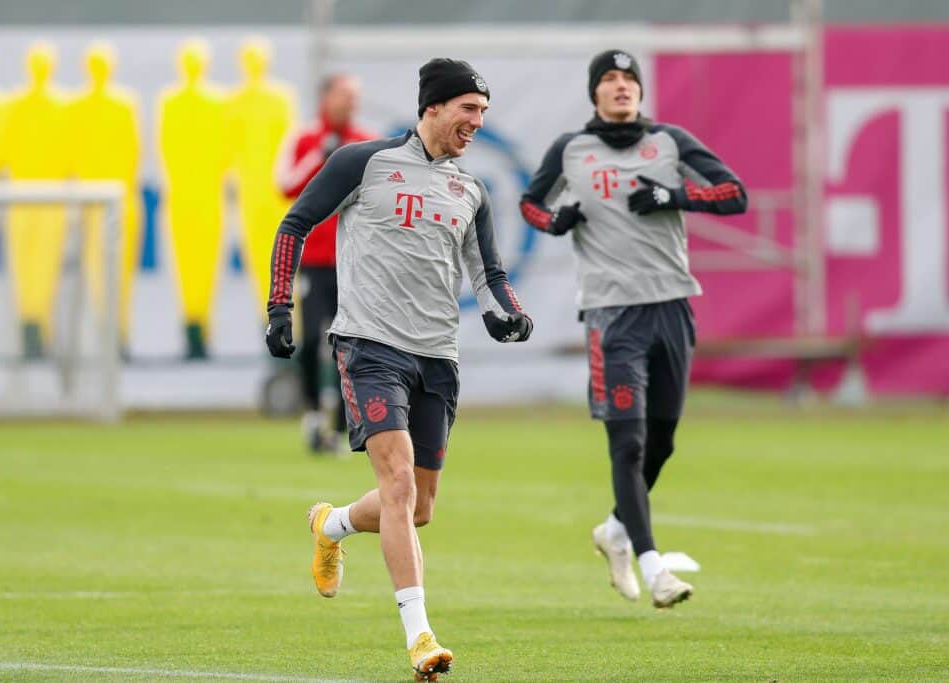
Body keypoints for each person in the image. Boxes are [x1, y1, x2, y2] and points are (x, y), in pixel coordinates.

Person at [266, 58, 532, 681]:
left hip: (437, 356)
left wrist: (508, 314)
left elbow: (490, 275)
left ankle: (329, 524)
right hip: (368, 347)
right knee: (398, 484)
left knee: (416, 507)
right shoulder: (364, 162)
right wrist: (281, 304)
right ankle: (421, 640)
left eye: (484, 112)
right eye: (469, 108)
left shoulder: (471, 189)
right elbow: (294, 224)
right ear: (434, 107)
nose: (477, 122)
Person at [520, 49, 747, 609]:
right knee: (628, 441)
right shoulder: (571, 150)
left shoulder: (669, 142)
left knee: (662, 442)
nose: (621, 87)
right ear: (594, 93)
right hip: (610, 314)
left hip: (671, 306)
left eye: (629, 79)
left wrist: (676, 195)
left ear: (641, 92)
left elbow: (733, 193)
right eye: (610, 80)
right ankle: (654, 568)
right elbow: (530, 203)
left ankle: (616, 531)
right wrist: (556, 220)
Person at [276, 73, 374, 453]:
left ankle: (344, 422)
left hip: (357, 263)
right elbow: (284, 184)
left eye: (356, 96)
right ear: (326, 96)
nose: (351, 102)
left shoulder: (366, 142)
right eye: (346, 95)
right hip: (316, 260)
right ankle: (314, 412)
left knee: (351, 341)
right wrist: (322, 155)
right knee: (314, 338)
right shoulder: (305, 140)